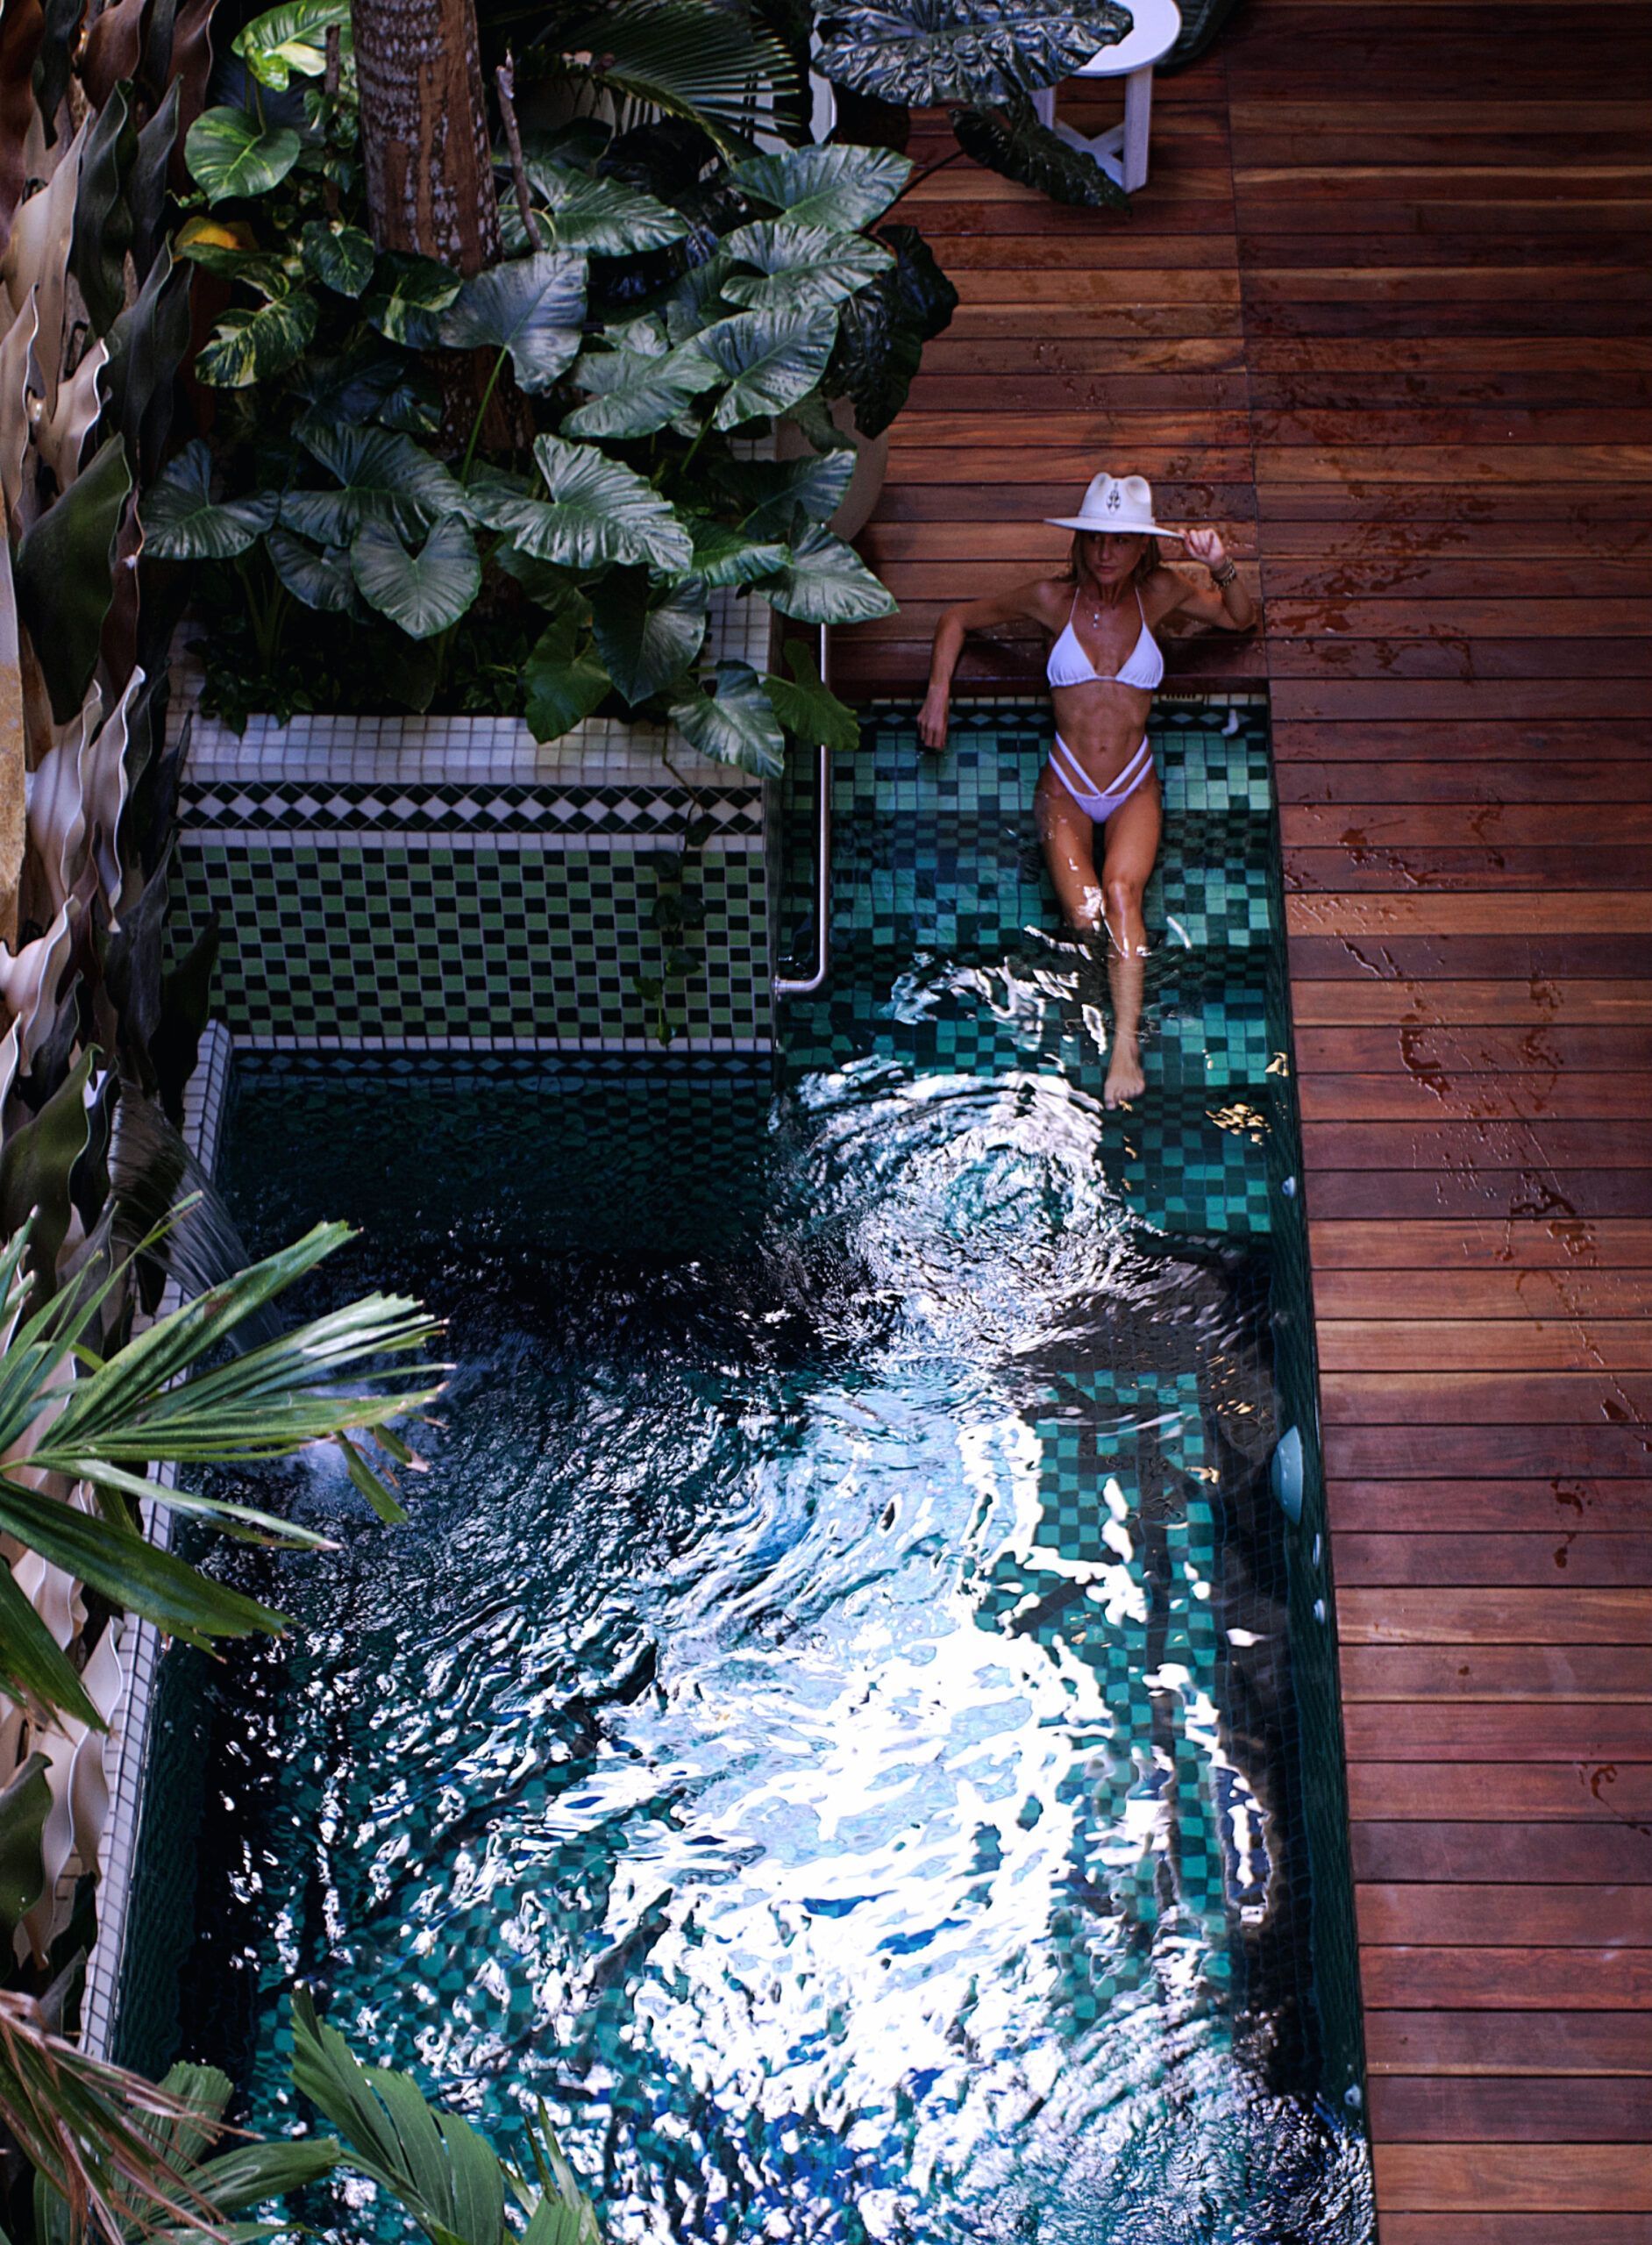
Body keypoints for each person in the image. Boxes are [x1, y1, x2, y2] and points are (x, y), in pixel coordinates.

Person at [918, 472, 1257, 1108]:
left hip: (1132, 784)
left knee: (1124, 895)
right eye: (1096, 540)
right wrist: (939, 693)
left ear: (1142, 549)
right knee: (1085, 915)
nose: (1106, 554)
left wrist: (1223, 566)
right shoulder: (1053, 600)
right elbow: (957, 618)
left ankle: (1124, 1046)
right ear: (1080, 544)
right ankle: (1087, 1018)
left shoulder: (1160, 594)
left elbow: (1241, 620)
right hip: (1067, 788)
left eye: (1121, 542)